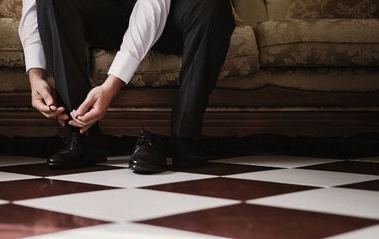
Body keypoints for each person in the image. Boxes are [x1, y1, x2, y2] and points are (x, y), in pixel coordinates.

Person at [18, 0, 235, 174]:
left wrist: (112, 84)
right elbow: (33, 7)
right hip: (106, 14)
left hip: (171, 15)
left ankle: (184, 137)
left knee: (213, 6)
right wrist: (36, 76)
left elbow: (153, 4)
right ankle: (83, 135)